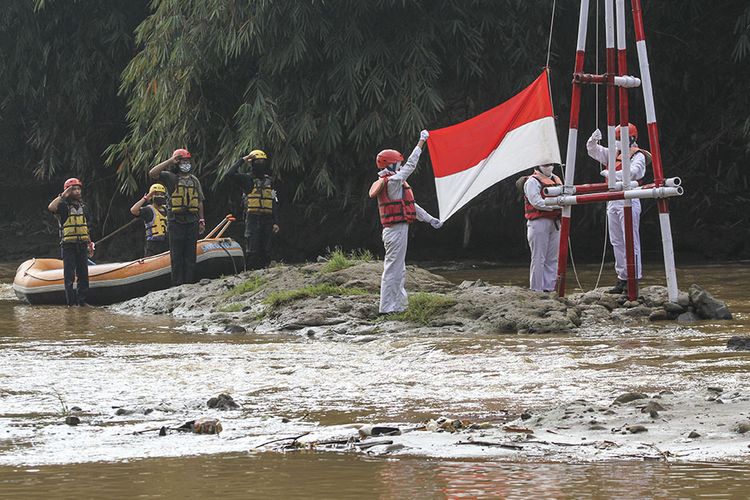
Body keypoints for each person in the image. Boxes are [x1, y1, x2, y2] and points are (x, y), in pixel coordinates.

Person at [369, 130, 443, 314]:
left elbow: (412, 207)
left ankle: (400, 306)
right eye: (398, 164)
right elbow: (411, 165)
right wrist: (421, 142)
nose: (401, 166)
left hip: (397, 230)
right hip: (394, 231)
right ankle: (386, 308)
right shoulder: (393, 181)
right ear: (391, 165)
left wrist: (430, 219)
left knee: (399, 270)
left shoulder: (395, 183)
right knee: (393, 270)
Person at [586, 123, 651, 294]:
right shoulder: (613, 153)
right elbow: (593, 151)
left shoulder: (639, 155)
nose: (617, 142)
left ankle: (633, 277)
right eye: (615, 139)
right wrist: (593, 140)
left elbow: (633, 173)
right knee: (616, 241)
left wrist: (612, 175)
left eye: (619, 139)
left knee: (630, 239)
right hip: (613, 200)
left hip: (629, 198)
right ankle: (622, 277)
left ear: (631, 139)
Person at [149, 148, 205, 285]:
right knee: (177, 254)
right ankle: (177, 283)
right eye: (182, 161)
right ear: (177, 163)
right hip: (176, 221)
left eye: (187, 161)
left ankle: (189, 282)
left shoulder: (194, 180)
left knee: (190, 254)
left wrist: (201, 220)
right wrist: (170, 161)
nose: (185, 164)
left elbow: (199, 201)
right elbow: (152, 173)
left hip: (192, 220)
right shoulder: (171, 178)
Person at [225, 149, 279, 268]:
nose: (260, 164)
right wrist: (243, 160)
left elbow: (274, 201)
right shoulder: (247, 179)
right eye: (257, 161)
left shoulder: (270, 181)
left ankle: (266, 271)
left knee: (266, 248)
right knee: (252, 248)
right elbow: (229, 174)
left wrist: (276, 222)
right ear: (252, 163)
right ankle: (250, 272)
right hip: (253, 218)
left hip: (268, 218)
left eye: (262, 161)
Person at [47, 178, 94, 306]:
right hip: (68, 245)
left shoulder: (84, 207)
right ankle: (71, 304)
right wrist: (63, 195)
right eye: (74, 189)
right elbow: (51, 207)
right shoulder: (63, 206)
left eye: (79, 189)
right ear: (68, 191)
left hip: (82, 244)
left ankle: (82, 302)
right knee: (69, 277)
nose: (78, 191)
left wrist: (90, 244)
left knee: (83, 275)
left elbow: (85, 227)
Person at [523, 163, 562, 292]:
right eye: (545, 164)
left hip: (555, 221)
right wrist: (558, 206)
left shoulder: (556, 179)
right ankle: (536, 289)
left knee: (552, 258)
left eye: (550, 163)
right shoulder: (532, 181)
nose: (548, 166)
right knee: (538, 258)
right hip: (538, 222)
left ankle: (549, 288)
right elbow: (536, 202)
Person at [130, 183, 169, 257]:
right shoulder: (148, 210)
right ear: (152, 196)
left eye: (161, 194)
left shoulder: (167, 209)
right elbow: (133, 210)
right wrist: (145, 198)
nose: (159, 196)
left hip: (167, 244)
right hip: (153, 246)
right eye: (156, 194)